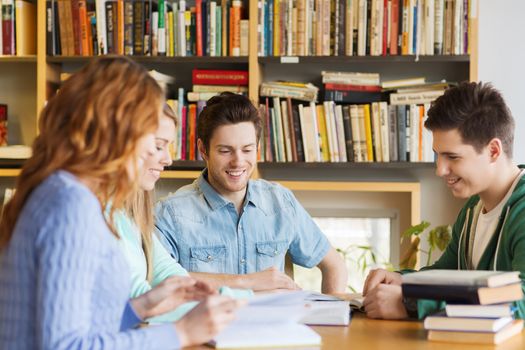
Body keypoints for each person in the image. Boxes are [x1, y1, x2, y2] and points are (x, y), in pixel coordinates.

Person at [0, 56, 239, 349]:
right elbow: (64, 345)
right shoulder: (70, 206)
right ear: (118, 130)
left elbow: (81, 327)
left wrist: (143, 306)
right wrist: (181, 333)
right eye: (150, 136)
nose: (153, 149)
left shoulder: (65, 193)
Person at [362, 81, 525, 320]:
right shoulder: (473, 207)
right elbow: (447, 272)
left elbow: (521, 300)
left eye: (452, 157)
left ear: (493, 151)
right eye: (438, 155)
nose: (440, 170)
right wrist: (402, 280)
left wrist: (412, 305)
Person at [155, 92, 348, 293]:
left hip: (275, 323)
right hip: (209, 324)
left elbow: (334, 266)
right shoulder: (170, 214)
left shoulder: (280, 201)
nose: (238, 162)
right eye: (225, 151)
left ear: (257, 148)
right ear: (203, 150)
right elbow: (158, 281)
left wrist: (332, 316)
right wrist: (247, 281)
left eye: (247, 150)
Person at [115, 103, 252, 323]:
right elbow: (140, 301)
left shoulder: (129, 212)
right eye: (159, 146)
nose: (168, 160)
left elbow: (170, 275)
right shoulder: (94, 215)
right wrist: (247, 302)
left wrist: (247, 299)